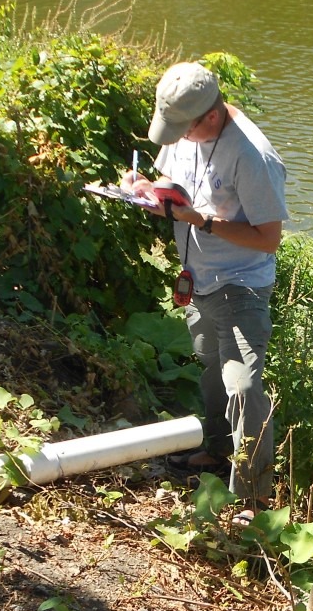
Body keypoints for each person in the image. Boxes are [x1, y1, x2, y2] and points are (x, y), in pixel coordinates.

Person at [122, 61, 287, 513]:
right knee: (211, 371)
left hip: (241, 286)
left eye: (182, 129)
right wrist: (142, 189)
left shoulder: (253, 156)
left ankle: (254, 499)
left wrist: (203, 221)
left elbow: (268, 240)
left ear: (209, 117)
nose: (175, 138)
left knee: (243, 387)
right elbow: (169, 182)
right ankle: (216, 453)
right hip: (198, 281)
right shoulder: (187, 133)